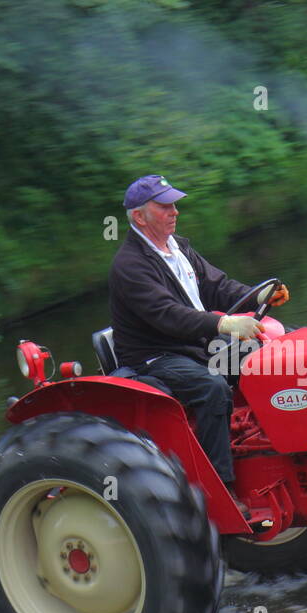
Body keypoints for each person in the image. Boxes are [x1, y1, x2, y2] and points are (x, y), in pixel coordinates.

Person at [108, 174, 289, 517]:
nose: (174, 211)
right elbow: (167, 316)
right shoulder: (129, 266)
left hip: (194, 344)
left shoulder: (179, 247)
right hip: (156, 356)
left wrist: (259, 294)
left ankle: (277, 448)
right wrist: (223, 324)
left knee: (275, 357)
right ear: (139, 217)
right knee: (211, 388)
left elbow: (217, 285)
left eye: (174, 204)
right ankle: (219, 490)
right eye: (164, 207)